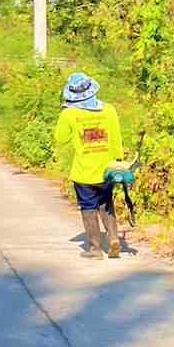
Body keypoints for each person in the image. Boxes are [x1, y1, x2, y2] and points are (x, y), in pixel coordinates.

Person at [54, 72, 124, 259]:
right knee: (106, 203)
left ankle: (95, 249)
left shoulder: (69, 113)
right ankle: (113, 238)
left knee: (88, 207)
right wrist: (118, 161)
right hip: (106, 171)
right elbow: (117, 140)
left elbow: (60, 139)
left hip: (83, 173)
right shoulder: (108, 110)